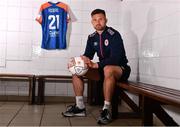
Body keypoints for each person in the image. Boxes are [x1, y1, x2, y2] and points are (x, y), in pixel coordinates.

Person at [62, 9, 131, 125]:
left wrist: (96, 64)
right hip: (103, 70)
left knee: (108, 68)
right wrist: (78, 61)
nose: (98, 22)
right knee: (76, 71)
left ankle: (106, 110)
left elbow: (116, 58)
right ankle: (80, 107)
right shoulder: (92, 37)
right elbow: (88, 55)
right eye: (95, 20)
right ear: (92, 22)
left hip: (120, 69)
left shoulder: (114, 34)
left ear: (106, 20)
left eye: (100, 19)